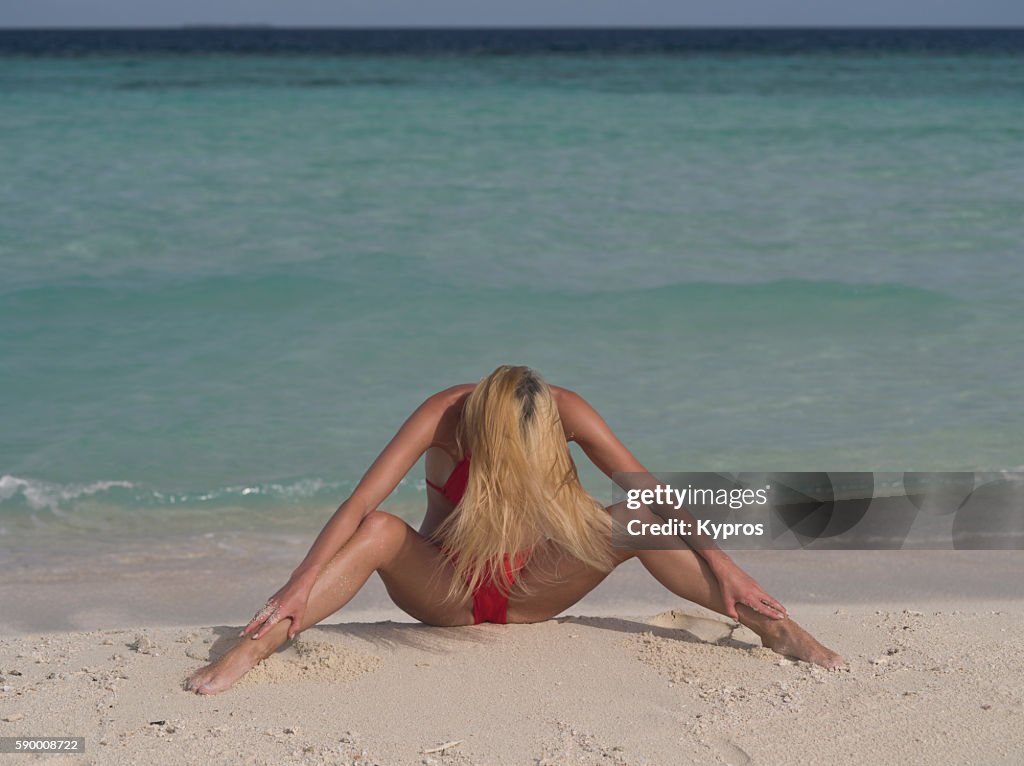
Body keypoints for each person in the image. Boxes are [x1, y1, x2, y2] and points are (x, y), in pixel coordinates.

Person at [187, 365, 841, 694]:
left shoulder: (565, 411)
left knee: (639, 518)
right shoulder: (445, 415)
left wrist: (726, 565)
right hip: (444, 591)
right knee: (383, 529)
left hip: (536, 589)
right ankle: (255, 647)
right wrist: (299, 583)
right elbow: (360, 503)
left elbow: (650, 489)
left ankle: (777, 630)